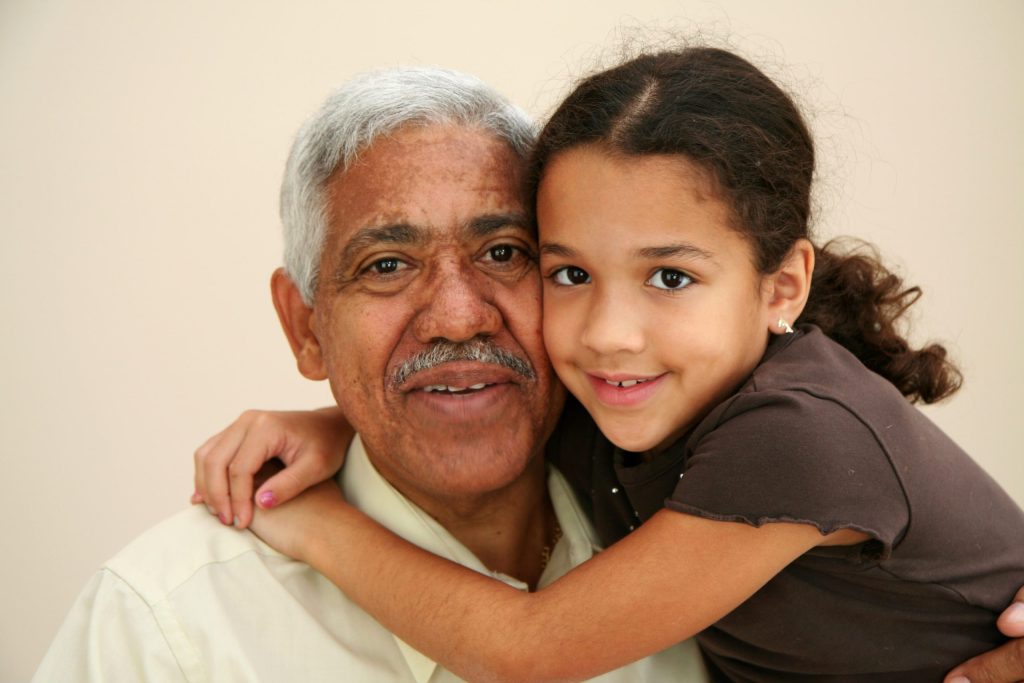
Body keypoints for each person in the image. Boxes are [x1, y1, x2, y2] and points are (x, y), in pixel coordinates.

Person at [194, 48, 1024, 682]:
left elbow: (527, 650)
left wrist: (311, 522)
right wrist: (341, 420)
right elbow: (473, 385)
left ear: (783, 286)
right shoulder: (620, 408)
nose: (609, 334)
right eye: (569, 273)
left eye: (671, 277)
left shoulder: (798, 436)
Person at [32, 67, 707, 682]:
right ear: (305, 327)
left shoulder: (699, 557)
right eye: (387, 264)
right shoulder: (165, 627)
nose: (458, 317)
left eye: (504, 251)